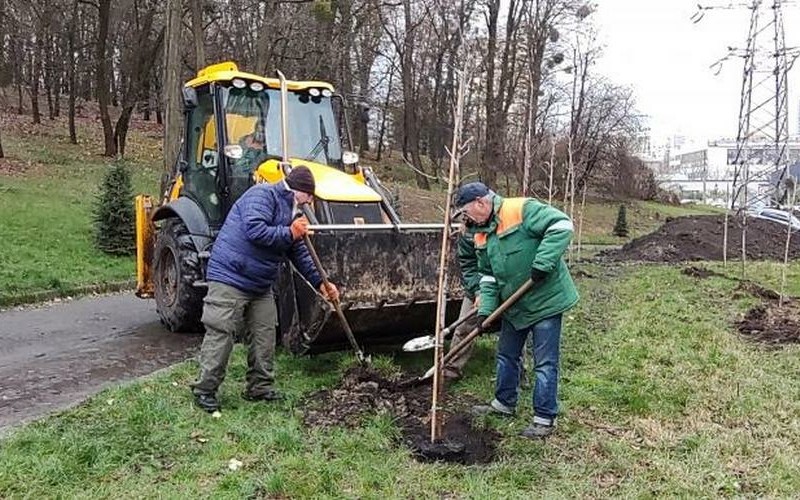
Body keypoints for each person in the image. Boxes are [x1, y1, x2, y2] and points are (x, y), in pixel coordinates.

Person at [191, 166, 340, 412]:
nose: (310, 201)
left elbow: (299, 252)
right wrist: (290, 232)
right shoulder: (262, 195)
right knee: (222, 331)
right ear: (299, 191)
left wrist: (320, 283)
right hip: (231, 276)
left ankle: (259, 387)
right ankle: (205, 390)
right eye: (309, 195)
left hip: (260, 284)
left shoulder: (293, 212)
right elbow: (255, 231)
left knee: (265, 333)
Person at [456, 181, 579, 439]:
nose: (466, 219)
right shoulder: (480, 233)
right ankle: (503, 404)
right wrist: (485, 314)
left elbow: (562, 225)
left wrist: (542, 263)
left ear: (481, 203)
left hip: (545, 300)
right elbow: (487, 277)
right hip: (514, 304)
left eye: (467, 212)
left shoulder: (520, 209)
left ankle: (544, 419)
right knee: (506, 355)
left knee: (545, 362)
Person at [442, 219, 481, 381]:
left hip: (507, 284)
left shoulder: (501, 226)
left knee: (514, 328)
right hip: (478, 286)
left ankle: (518, 373)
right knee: (464, 327)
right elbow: (468, 266)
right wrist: (479, 291)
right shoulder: (467, 233)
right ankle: (451, 369)